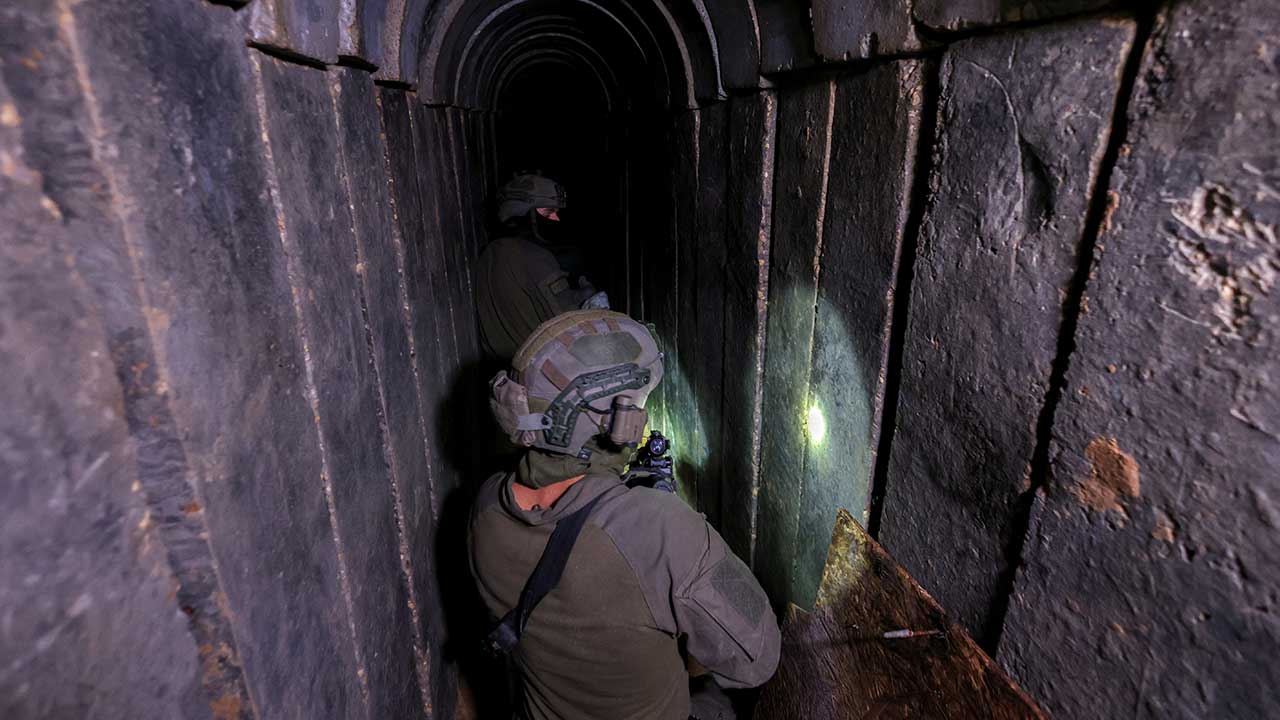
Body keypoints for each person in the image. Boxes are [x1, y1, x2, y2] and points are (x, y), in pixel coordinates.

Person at [469, 309, 781, 720]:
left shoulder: (485, 508)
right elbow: (756, 658)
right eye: (639, 403)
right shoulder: (663, 532)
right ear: (613, 422)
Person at [477, 173, 609, 362]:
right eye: (548, 213)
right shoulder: (534, 257)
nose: (555, 220)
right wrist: (589, 298)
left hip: (506, 370)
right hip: (540, 376)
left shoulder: (491, 252)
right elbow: (571, 327)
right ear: (524, 213)